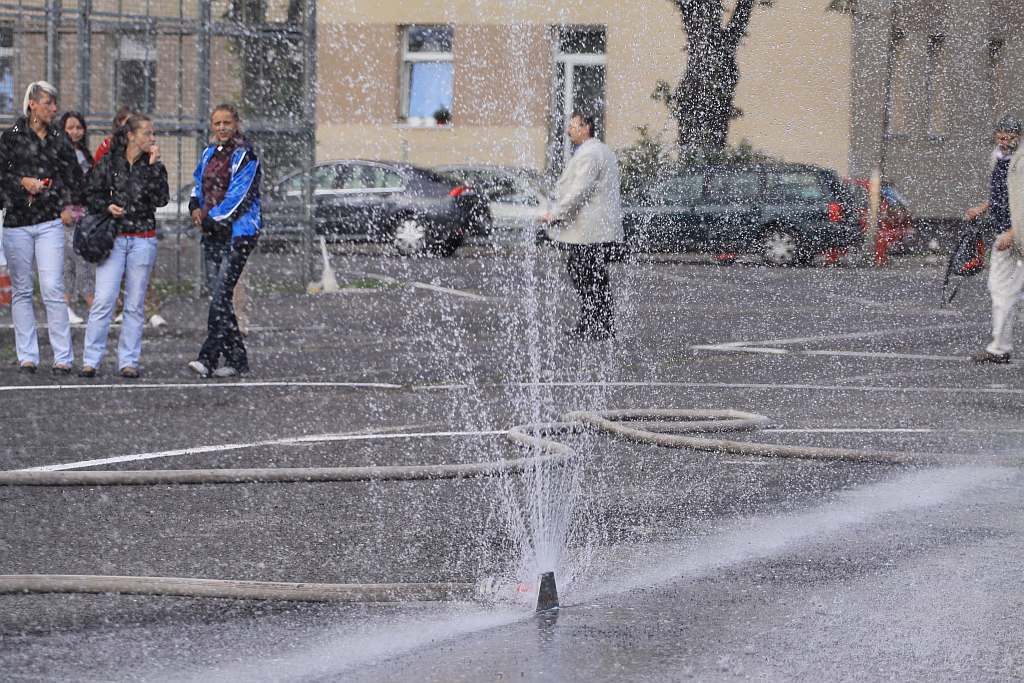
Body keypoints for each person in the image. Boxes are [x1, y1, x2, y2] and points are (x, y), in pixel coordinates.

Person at [0, 81, 84, 374]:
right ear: (32, 104)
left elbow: (73, 177)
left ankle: (63, 357)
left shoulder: (60, 139)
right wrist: (21, 182)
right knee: (22, 290)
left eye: (54, 103)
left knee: (52, 287)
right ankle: (27, 356)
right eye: (48, 103)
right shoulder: (10, 137)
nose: (53, 109)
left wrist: (61, 199)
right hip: (17, 223)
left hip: (49, 221)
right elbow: (2, 175)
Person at [79, 113, 168, 378]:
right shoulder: (109, 163)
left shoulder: (154, 166)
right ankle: (91, 359)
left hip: (143, 238)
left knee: (135, 303)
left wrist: (153, 167)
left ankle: (128, 360)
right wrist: (107, 206)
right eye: (147, 133)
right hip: (115, 237)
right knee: (104, 299)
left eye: (152, 134)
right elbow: (90, 194)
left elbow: (161, 199)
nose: (151, 138)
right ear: (131, 135)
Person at [186, 104, 261, 378]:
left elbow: (237, 198)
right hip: (213, 233)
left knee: (219, 297)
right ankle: (237, 359)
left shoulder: (246, 155)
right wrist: (195, 205)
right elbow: (198, 183)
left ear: (236, 124)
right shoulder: (208, 153)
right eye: (217, 123)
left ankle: (208, 357)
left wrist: (211, 219)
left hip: (238, 234)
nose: (221, 128)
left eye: (226, 122)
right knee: (221, 299)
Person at [540, 111, 624, 341]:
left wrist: (555, 213)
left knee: (585, 274)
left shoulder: (590, 155)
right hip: (597, 230)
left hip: (591, 231)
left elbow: (579, 191)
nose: (568, 131)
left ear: (586, 128)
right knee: (593, 276)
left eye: (573, 127)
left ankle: (593, 324)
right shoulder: (601, 151)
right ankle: (601, 324)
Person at [967, 114, 1024, 363]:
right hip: (1007, 233)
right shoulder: (999, 158)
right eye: (1000, 136)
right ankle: (999, 348)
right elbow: (1006, 193)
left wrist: (1014, 232)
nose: (1003, 141)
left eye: (1009, 136)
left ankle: (1000, 348)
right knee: (1000, 290)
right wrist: (985, 207)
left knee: (1004, 291)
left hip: (1015, 234)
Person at [59, 110, 94, 324]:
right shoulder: (59, 153)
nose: (75, 131)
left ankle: (90, 301)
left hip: (83, 212)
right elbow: (58, 182)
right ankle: (66, 304)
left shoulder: (84, 152)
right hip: (66, 214)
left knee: (85, 261)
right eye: (70, 127)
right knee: (67, 263)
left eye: (79, 127)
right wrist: (62, 208)